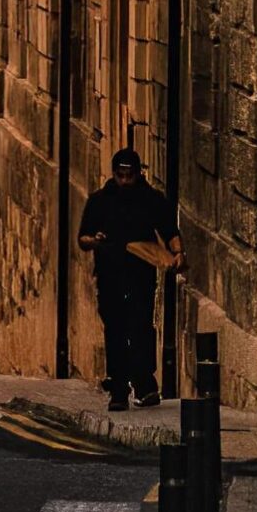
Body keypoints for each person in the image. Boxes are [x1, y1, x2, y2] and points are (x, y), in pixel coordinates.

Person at [76, 146, 182, 410]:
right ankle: (119, 390)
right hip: (109, 274)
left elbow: (169, 229)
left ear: (137, 174)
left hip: (140, 275)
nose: (125, 181)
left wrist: (178, 253)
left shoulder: (150, 199)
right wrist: (95, 240)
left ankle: (145, 384)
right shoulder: (100, 200)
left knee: (140, 327)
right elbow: (83, 238)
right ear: (114, 174)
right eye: (120, 176)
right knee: (115, 330)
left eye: (129, 176)